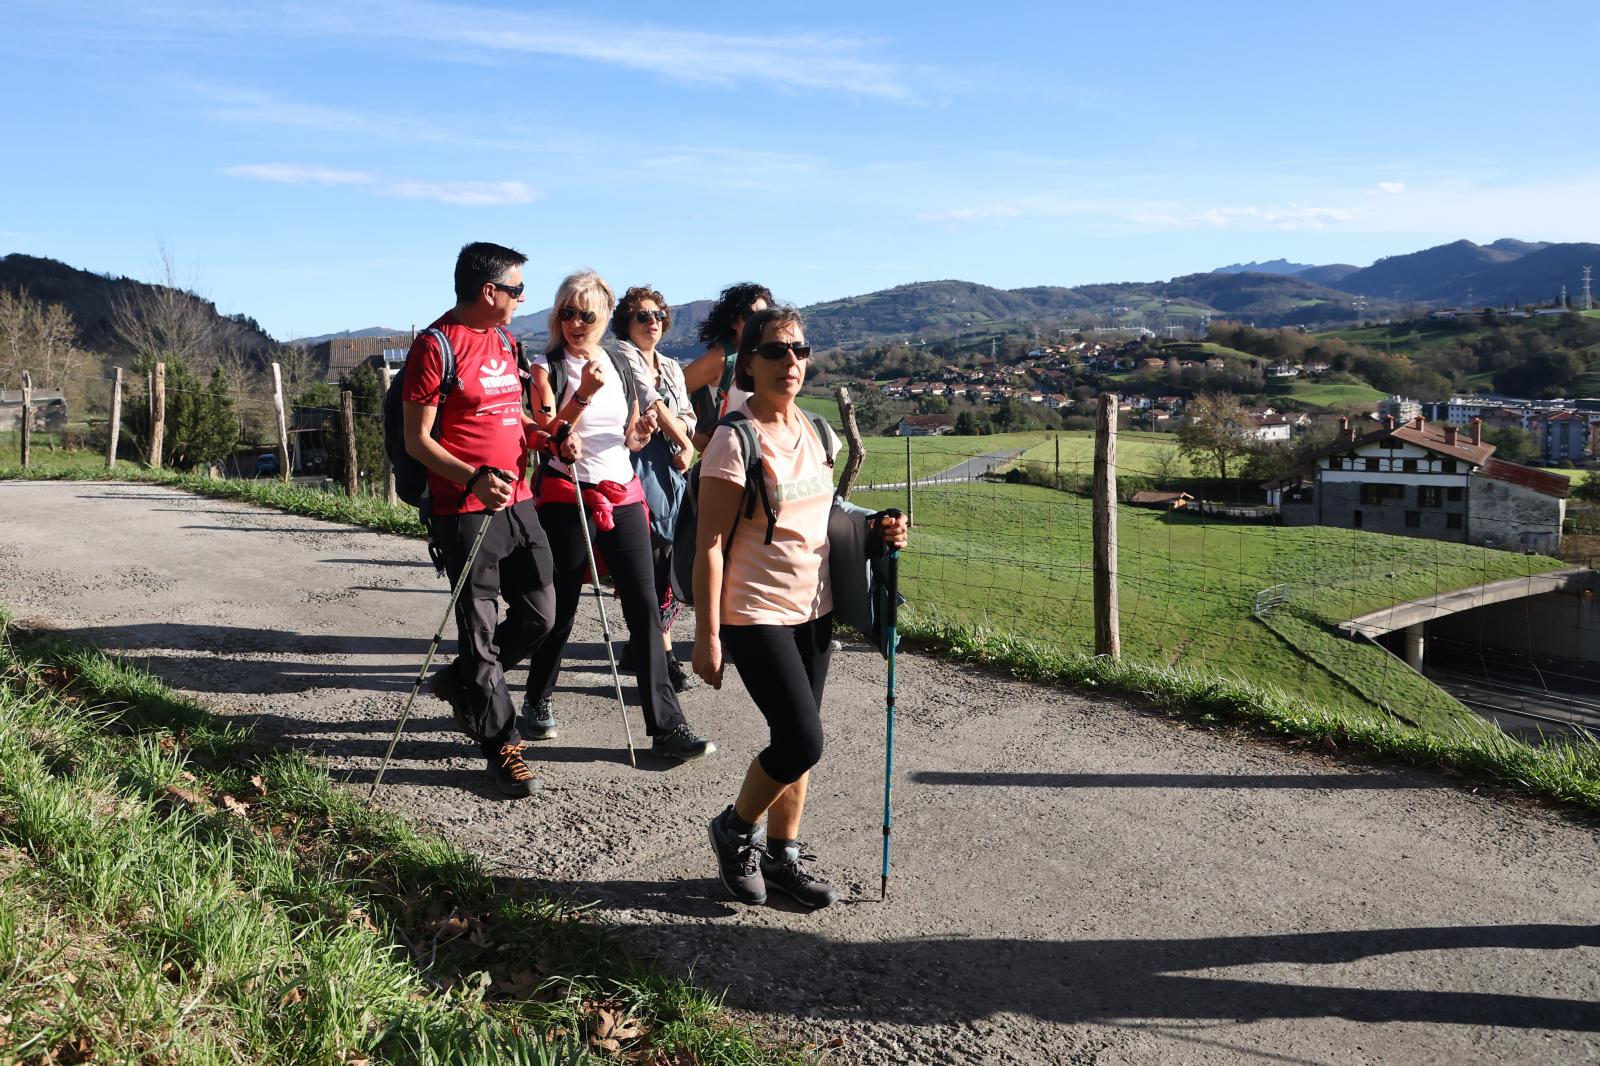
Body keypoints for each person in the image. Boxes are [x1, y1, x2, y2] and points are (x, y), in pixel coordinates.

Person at [695, 305, 908, 908]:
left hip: (815, 606)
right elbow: (710, 545)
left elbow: (826, 520)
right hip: (754, 612)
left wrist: (879, 532)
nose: (791, 361)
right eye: (775, 351)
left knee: (797, 736)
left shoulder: (818, 433)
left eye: (799, 350)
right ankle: (735, 830)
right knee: (801, 739)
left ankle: (783, 854)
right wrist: (707, 635)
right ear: (749, 366)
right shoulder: (735, 444)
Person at [522, 269, 715, 760]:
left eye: (586, 314)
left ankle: (666, 726)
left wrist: (644, 436)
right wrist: (582, 394)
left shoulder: (622, 366)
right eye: (567, 312)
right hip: (568, 496)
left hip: (624, 492)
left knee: (645, 608)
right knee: (560, 608)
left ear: (603, 317)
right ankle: (538, 699)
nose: (575, 323)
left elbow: (629, 436)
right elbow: (546, 431)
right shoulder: (548, 366)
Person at [402, 241, 569, 799]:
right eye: (518, 290)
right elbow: (417, 440)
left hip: (519, 499)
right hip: (465, 509)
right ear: (489, 292)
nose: (525, 299)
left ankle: (461, 682)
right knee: (478, 633)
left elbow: (507, 408)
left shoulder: (503, 339)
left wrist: (541, 432)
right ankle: (502, 746)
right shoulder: (435, 346)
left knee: (541, 615)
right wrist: (472, 475)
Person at [611, 285, 698, 693]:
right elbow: (652, 405)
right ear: (626, 323)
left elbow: (687, 413)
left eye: (658, 316)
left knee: (666, 557)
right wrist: (684, 441)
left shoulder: (672, 366)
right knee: (650, 557)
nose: (652, 322)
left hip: (669, 473)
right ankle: (662, 656)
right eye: (642, 316)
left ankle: (638, 645)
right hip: (637, 465)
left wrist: (685, 437)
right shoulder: (621, 356)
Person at [683, 282, 772, 451]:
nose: (759, 323)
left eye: (765, 316)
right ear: (733, 321)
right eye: (750, 316)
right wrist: (693, 436)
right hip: (727, 463)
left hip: (766, 461)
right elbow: (667, 395)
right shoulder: (722, 358)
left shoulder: (769, 357)